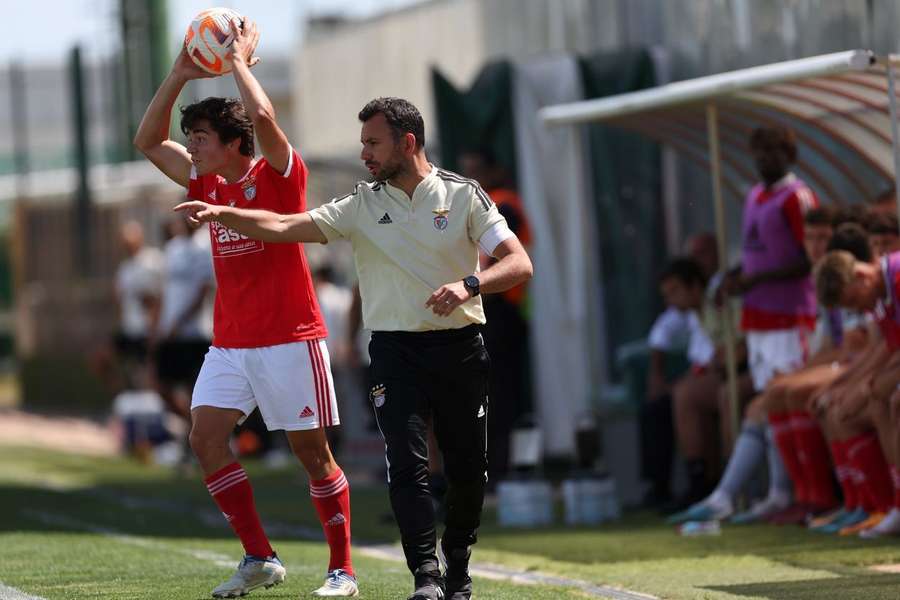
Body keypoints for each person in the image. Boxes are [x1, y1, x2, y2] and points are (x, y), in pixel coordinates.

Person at [175, 96, 534, 600]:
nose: (363, 153)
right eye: (362, 142)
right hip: (392, 353)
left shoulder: (465, 195)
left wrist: (469, 285)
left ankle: (458, 565)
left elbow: (518, 263)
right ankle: (426, 579)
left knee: (468, 469)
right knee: (406, 466)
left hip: (460, 348)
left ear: (407, 143)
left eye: (372, 143)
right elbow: (281, 226)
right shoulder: (362, 203)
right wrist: (222, 211)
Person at [133, 18, 357, 598]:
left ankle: (342, 570)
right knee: (204, 440)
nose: (193, 146)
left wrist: (237, 62)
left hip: (290, 336)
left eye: (202, 137)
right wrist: (181, 72)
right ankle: (259, 557)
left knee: (312, 455)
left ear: (232, 144)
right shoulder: (204, 182)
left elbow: (263, 119)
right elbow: (147, 142)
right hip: (231, 343)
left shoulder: (280, 175)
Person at [459, 147, 532, 485]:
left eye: (476, 171)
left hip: (500, 311)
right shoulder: (484, 205)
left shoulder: (501, 205)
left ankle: (501, 472)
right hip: (490, 309)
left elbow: (498, 264)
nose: (472, 179)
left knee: (498, 396)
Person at [152, 215, 214, 422]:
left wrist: (179, 323)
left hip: (195, 332)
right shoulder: (173, 248)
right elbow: (164, 290)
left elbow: (204, 290)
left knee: (195, 390)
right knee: (162, 386)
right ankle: (192, 430)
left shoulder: (206, 245)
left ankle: (198, 436)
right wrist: (159, 324)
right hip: (170, 331)